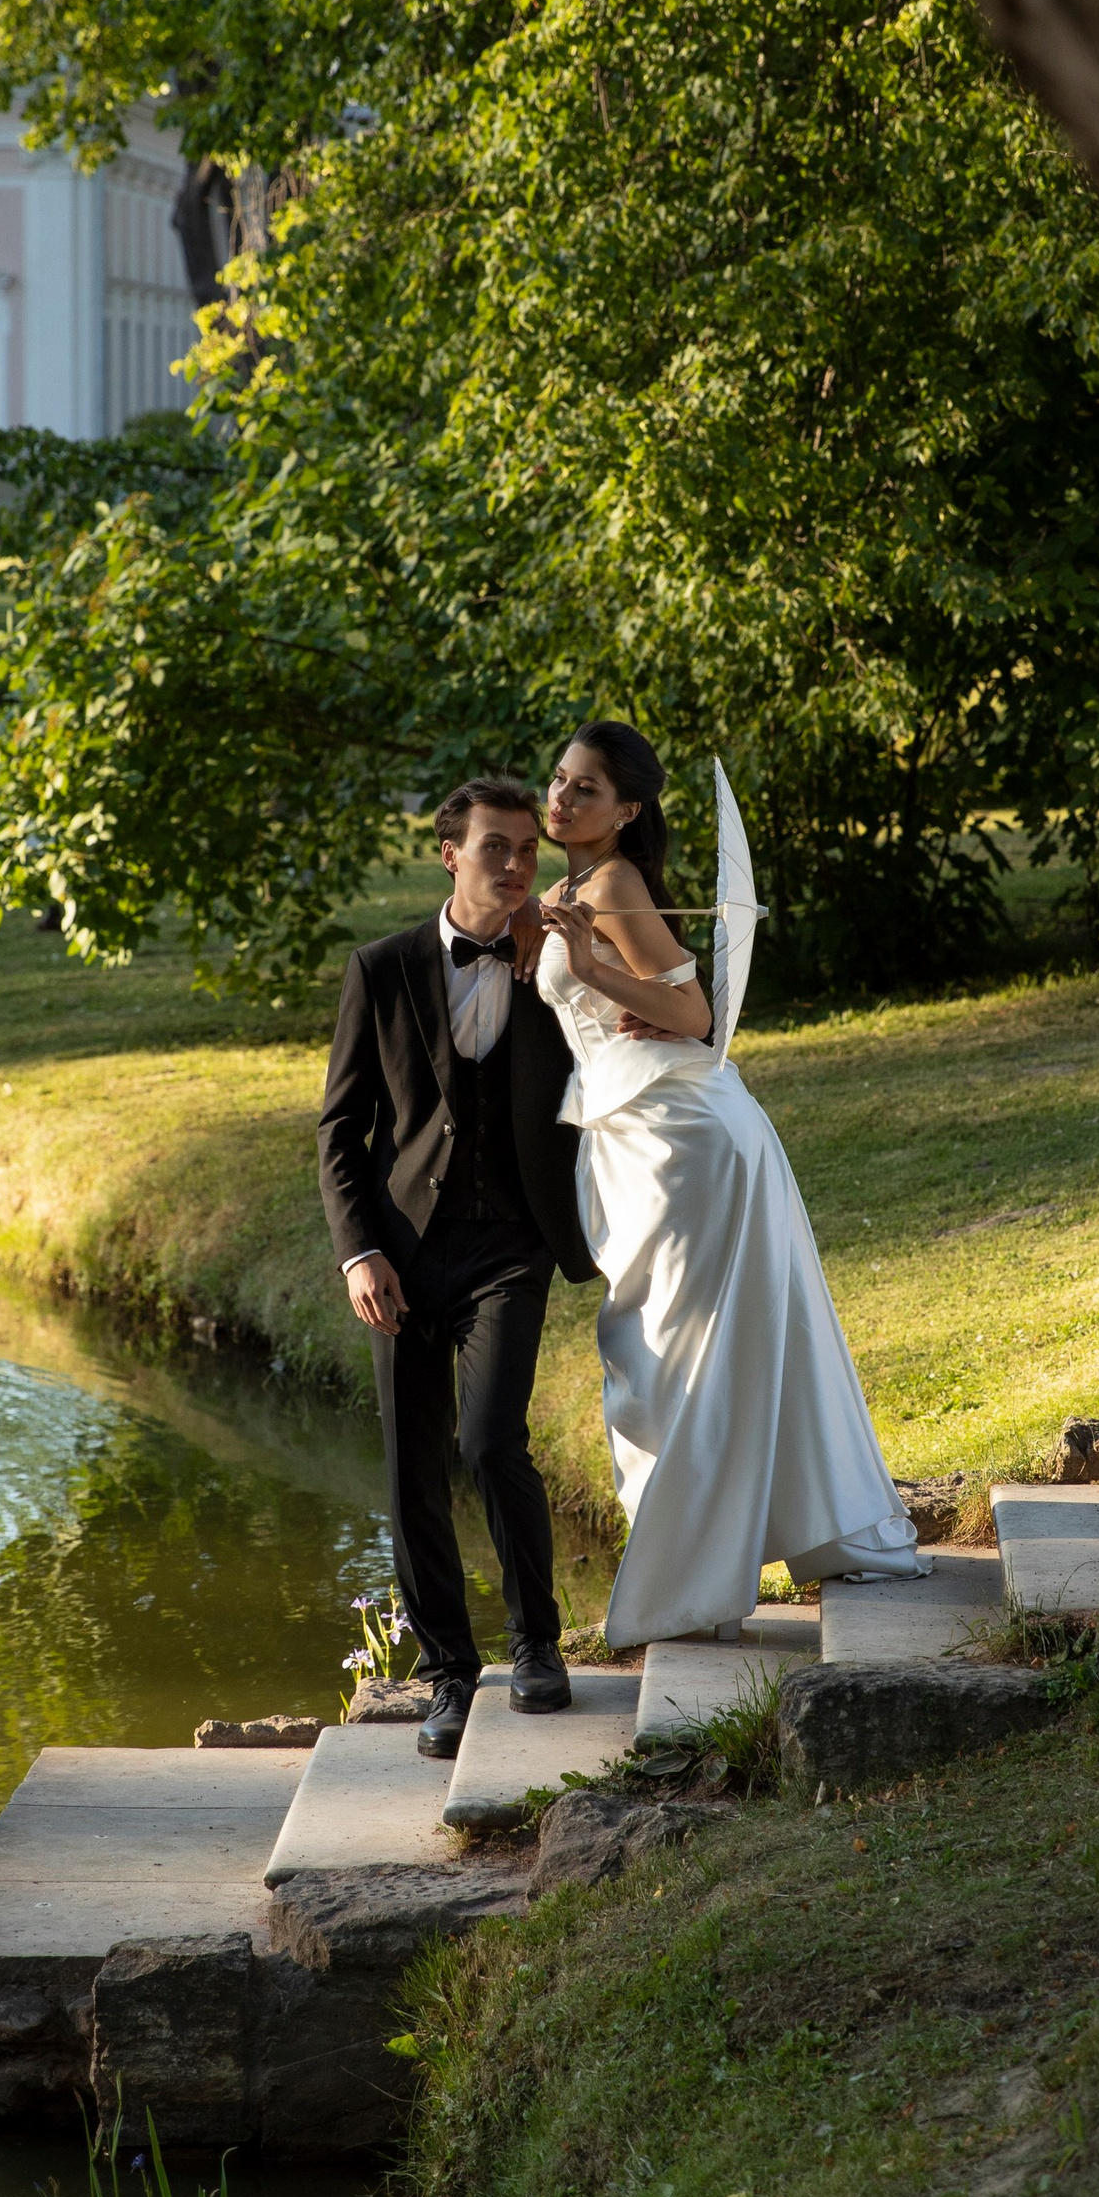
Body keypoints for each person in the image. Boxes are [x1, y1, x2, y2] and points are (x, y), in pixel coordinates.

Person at [534, 719, 917, 1648]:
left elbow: (694, 1014)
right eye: (559, 779)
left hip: (682, 1142)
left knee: (665, 1354)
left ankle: (695, 1582)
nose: (563, 798)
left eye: (587, 789)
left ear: (627, 811)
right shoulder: (572, 884)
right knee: (670, 1348)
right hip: (630, 1134)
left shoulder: (615, 883)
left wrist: (589, 965)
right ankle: (713, 1556)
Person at [319, 774, 600, 1760]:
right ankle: (447, 1676)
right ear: (449, 854)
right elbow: (342, 1129)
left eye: (528, 848)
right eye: (496, 848)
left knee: (490, 1443)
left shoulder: (556, 962)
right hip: (401, 1253)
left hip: (511, 1246)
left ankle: (536, 1645)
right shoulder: (382, 969)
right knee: (411, 1475)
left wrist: (567, 961)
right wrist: (359, 1252)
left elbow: (622, 1057)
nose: (517, 866)